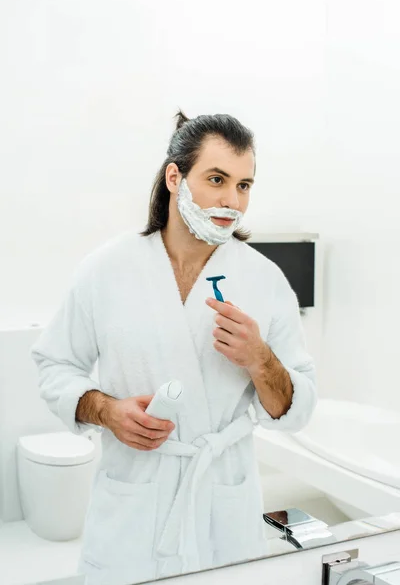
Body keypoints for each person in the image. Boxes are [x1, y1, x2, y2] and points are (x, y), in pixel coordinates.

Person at [31, 111, 317, 585]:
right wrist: (106, 410)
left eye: (244, 185)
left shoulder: (264, 281)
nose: (232, 201)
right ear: (174, 177)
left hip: (222, 496)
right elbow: (55, 365)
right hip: (135, 498)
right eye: (217, 179)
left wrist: (260, 359)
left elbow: (299, 408)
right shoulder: (106, 270)